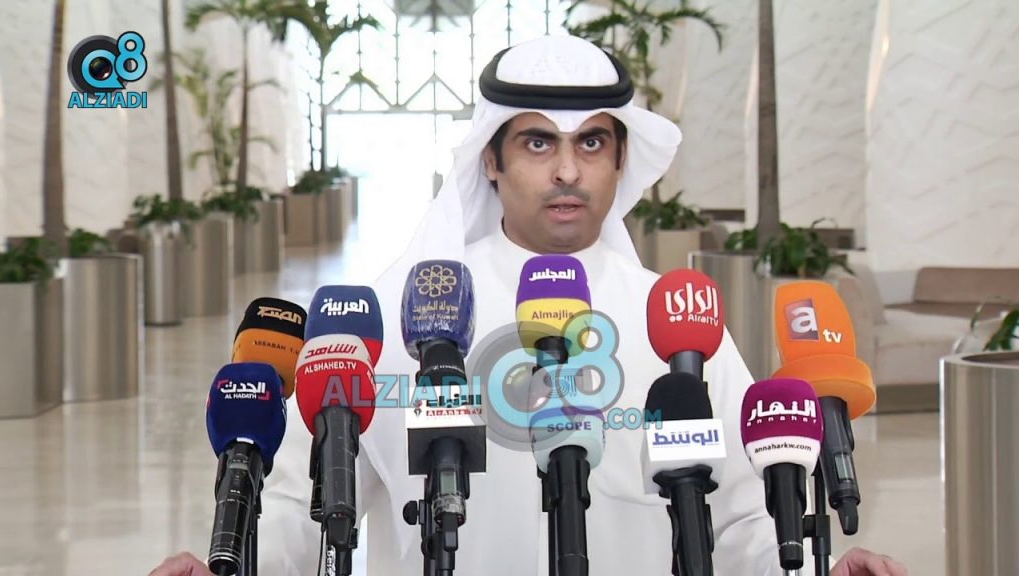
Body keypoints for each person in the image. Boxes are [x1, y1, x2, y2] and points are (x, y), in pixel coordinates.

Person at [150, 35, 908, 576]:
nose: (568, 171)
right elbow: (302, 501)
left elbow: (741, 517)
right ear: (491, 157)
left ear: (620, 158)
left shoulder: (677, 320)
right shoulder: (398, 310)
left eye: (593, 144)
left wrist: (821, 568)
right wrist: (226, 564)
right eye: (539, 144)